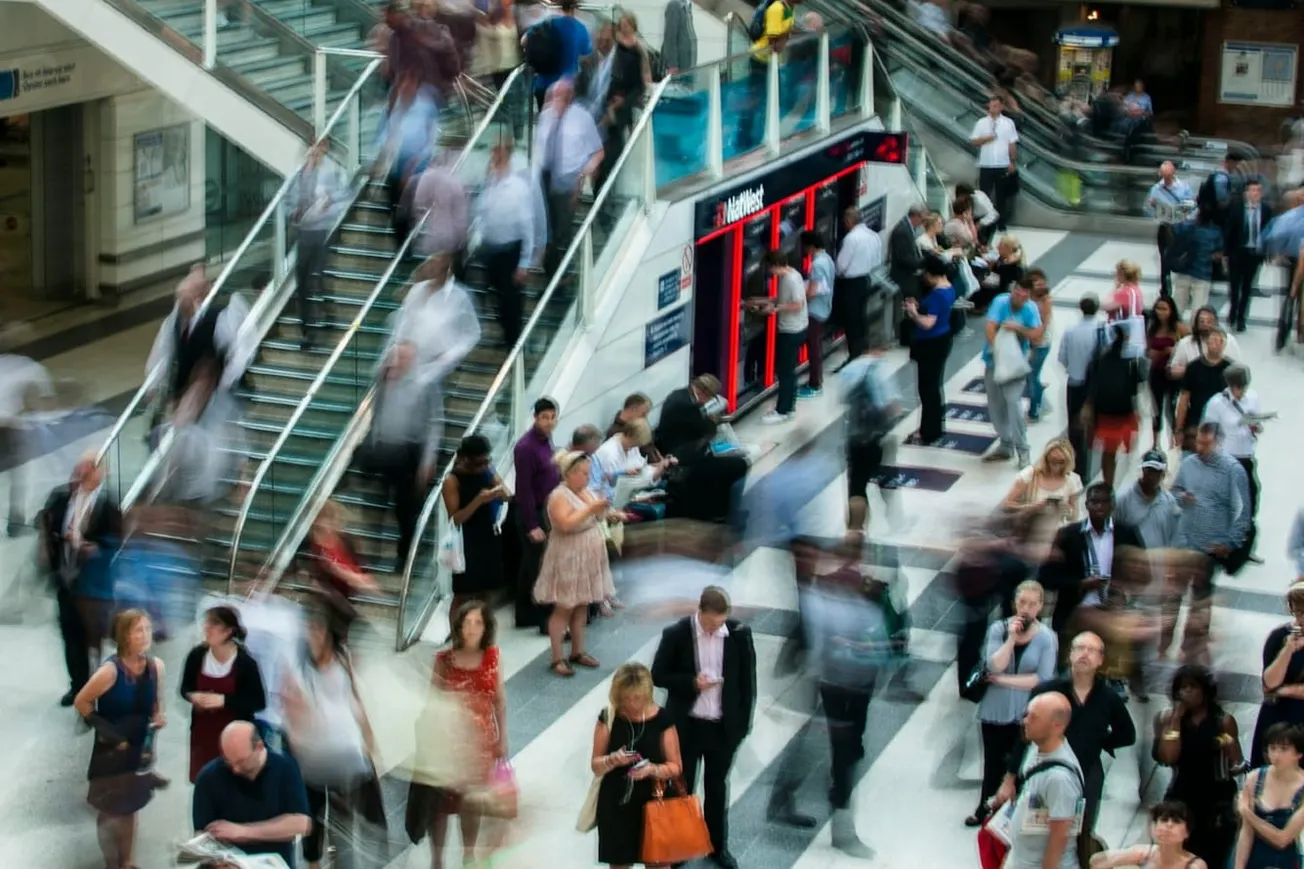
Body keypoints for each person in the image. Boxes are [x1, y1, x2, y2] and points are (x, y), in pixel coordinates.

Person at [651, 586, 756, 869]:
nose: (715, 627)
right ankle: (680, 847)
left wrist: (742, 727)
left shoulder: (738, 635)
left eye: (720, 622)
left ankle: (716, 846)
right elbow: (658, 675)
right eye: (711, 622)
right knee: (682, 788)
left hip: (722, 729)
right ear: (701, 612)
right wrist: (691, 682)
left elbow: (748, 685)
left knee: (717, 788)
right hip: (687, 726)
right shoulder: (677, 634)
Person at [996, 632, 1135, 837]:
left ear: (1100, 660)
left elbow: (1127, 734)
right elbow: (1024, 736)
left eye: (1091, 650)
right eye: (1080, 648)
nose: (1085, 654)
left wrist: (1100, 741)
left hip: (1087, 771)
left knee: (1081, 833)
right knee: (1038, 831)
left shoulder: (1108, 698)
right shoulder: (1047, 690)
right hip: (1046, 768)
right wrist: (1009, 779)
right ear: (1069, 654)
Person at [73, 609, 167, 869]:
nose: (145, 635)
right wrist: (109, 733)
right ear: (124, 635)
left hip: (139, 750)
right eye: (139, 630)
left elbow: (157, 704)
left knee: (131, 807)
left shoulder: (155, 667)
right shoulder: (110, 672)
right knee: (110, 809)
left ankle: (127, 861)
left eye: (148, 629)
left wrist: (159, 717)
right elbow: (82, 702)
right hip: (111, 751)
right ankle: (110, 863)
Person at [968, 580, 1058, 827]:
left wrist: (1001, 680)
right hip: (995, 708)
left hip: (1025, 712)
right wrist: (1010, 639)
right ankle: (984, 807)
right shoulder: (999, 629)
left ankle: (1011, 814)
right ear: (1014, 603)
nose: (1025, 608)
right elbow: (994, 663)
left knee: (1016, 765)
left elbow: (1041, 678)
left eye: (1031, 604)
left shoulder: (1047, 638)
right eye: (1021, 603)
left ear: (1040, 606)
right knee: (992, 762)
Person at [426, 601, 508, 869]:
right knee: (439, 804)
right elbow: (431, 702)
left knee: (471, 802)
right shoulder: (444, 661)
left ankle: (468, 854)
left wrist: (502, 737)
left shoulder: (493, 657)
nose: (472, 629)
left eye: (478, 623)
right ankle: (437, 859)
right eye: (467, 622)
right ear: (458, 627)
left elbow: (499, 701)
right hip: (446, 744)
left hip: (480, 744)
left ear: (486, 627)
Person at [40, 454, 122, 706]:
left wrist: (95, 549)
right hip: (66, 580)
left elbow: (116, 543)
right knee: (70, 636)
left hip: (93, 588)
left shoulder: (107, 507)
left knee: (92, 639)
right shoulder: (61, 497)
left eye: (90, 468)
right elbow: (46, 522)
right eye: (81, 468)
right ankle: (77, 685)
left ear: (101, 473)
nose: (83, 472)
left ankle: (94, 688)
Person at [590, 663, 683, 868]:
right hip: (617, 803)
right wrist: (613, 759)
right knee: (620, 862)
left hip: (655, 800)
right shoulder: (609, 718)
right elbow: (596, 765)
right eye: (626, 699)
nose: (632, 704)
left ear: (647, 694)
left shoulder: (662, 719)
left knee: (658, 863)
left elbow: (675, 767)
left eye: (637, 698)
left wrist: (652, 770)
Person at [533, 449, 617, 676]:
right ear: (567, 474)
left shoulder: (586, 491)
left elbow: (595, 516)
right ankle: (557, 657)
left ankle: (578, 651)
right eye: (581, 473)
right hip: (568, 554)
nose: (586, 477)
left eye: (588, 473)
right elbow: (565, 525)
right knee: (564, 607)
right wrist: (591, 508)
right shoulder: (558, 496)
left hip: (588, 552)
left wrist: (607, 512)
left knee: (582, 604)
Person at [1153, 664, 1244, 869]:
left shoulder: (1222, 721)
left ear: (1204, 690)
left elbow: (1236, 760)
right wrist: (1176, 719)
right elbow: (1168, 757)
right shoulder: (1167, 719)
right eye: (1182, 688)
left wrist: (1227, 744)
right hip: (1183, 793)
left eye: (1192, 687)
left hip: (1216, 798)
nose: (1187, 693)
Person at [192, 721, 312, 868]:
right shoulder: (208, 777)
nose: (235, 769)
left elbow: (301, 824)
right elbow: (201, 834)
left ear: (259, 747)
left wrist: (242, 832)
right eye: (229, 761)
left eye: (241, 762)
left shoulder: (285, 767)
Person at [1040, 483, 1145, 643]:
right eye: (1094, 502)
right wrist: (1080, 584)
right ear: (1086, 504)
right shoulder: (1069, 535)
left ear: (1113, 504)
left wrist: (1123, 591)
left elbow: (1143, 573)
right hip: (1075, 613)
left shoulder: (1127, 534)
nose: (1099, 507)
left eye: (1104, 502)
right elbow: (1046, 577)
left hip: (1115, 614)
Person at [180, 606, 267, 783]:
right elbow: (185, 687)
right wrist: (192, 696)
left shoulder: (245, 663)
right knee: (205, 781)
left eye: (214, 624)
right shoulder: (197, 656)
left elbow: (258, 701)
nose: (207, 628)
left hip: (234, 738)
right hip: (203, 734)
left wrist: (224, 701)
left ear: (228, 631)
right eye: (207, 623)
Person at [997, 692, 1083, 869]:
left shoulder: (1060, 779)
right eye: (1026, 715)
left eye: (1033, 718)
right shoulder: (1035, 748)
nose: (1025, 721)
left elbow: (1060, 835)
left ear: (1056, 725)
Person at [533, 79, 603, 277]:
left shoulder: (583, 118)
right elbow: (539, 148)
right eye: (554, 97)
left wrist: (582, 177)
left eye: (561, 97)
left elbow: (598, 152)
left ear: (570, 97)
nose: (556, 102)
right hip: (545, 178)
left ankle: (559, 273)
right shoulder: (546, 116)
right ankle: (553, 271)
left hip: (568, 181)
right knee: (546, 229)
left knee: (560, 231)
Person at [654, 374, 748, 524]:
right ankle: (722, 511)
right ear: (704, 392)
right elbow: (708, 429)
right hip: (683, 459)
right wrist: (712, 420)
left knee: (726, 464)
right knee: (738, 465)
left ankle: (722, 510)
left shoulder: (680, 396)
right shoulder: (686, 406)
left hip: (686, 451)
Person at [441, 435, 510, 622]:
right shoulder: (452, 480)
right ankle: (457, 641)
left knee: (485, 591)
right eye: (479, 462)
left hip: (487, 535)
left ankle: (482, 636)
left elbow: (507, 496)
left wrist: (498, 488)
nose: (483, 465)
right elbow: (455, 518)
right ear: (466, 459)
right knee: (462, 593)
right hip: (466, 541)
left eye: (486, 461)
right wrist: (478, 501)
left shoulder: (486, 471)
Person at [288, 140, 347, 349]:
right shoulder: (302, 172)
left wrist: (327, 208)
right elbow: (291, 199)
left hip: (324, 231)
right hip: (305, 232)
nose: (316, 151)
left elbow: (344, 197)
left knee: (319, 276)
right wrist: (295, 213)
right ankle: (307, 330)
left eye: (320, 147)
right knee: (303, 279)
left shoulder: (334, 169)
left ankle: (327, 311)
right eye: (313, 147)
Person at [983, 276, 1044, 469]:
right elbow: (990, 328)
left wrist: (1018, 328)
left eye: (1025, 293)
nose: (1020, 295)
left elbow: (1036, 334)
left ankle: (1022, 449)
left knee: (1014, 405)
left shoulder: (1030, 309)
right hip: (994, 361)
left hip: (1016, 365)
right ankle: (1005, 443)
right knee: (995, 404)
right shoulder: (1000, 302)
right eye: (1018, 290)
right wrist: (998, 351)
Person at [514, 397, 561, 630]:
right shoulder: (525, 447)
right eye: (544, 417)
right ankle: (544, 618)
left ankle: (524, 614)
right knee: (538, 566)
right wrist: (532, 524)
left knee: (529, 564)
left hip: (546, 509)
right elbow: (524, 489)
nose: (549, 422)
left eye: (552, 417)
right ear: (535, 417)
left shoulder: (546, 441)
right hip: (532, 511)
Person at [1249, 582, 1304, 769]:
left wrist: (1287, 690)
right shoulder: (1279, 636)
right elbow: (1270, 684)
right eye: (1297, 613)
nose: (1301, 619)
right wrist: (1288, 650)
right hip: (1278, 714)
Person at [1234, 723, 1304, 869]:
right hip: (1256, 856)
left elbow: (1282, 839)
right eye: (1272, 748)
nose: (1276, 755)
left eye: (1284, 749)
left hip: (1289, 860)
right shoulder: (1254, 778)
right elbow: (1247, 831)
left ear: (1299, 753)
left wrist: (1246, 812)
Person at [1083, 322, 1144, 487]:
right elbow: (1138, 386)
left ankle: (1109, 485)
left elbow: (1092, 387)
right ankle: (1116, 485)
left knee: (1109, 453)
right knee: (1125, 452)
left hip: (1107, 414)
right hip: (1123, 413)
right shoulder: (1132, 360)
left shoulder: (1100, 359)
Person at [904, 253, 956, 445]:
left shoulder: (937, 295)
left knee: (927, 388)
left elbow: (927, 323)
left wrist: (913, 313)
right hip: (942, 339)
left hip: (931, 344)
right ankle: (934, 426)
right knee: (934, 386)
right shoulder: (949, 288)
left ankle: (929, 430)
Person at [757, 248, 809, 424]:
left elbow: (797, 304)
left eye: (770, 268)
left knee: (785, 372)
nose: (770, 273)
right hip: (797, 329)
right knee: (789, 372)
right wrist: (759, 301)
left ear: (776, 265)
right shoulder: (791, 275)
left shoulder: (791, 280)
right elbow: (782, 299)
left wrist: (775, 309)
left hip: (791, 331)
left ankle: (782, 410)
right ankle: (788, 407)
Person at [1090, 801, 1207, 869]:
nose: (1168, 826)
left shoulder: (1194, 865)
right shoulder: (1144, 853)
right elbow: (1095, 862)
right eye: (1164, 820)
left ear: (1187, 832)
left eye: (1176, 821)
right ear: (1154, 828)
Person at [1224, 178, 1273, 334]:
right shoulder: (1236, 208)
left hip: (1254, 254)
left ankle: (1241, 318)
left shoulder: (1266, 210)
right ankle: (1232, 313)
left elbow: (1268, 232)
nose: (1254, 193)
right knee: (1234, 286)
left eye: (1257, 191)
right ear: (1246, 193)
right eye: (1251, 190)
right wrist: (1225, 252)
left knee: (1247, 288)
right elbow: (1228, 230)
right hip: (1237, 252)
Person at [837, 206, 885, 360]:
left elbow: (841, 265)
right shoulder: (873, 235)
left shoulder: (851, 238)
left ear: (849, 221)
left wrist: (838, 274)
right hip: (866, 279)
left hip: (851, 283)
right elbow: (878, 259)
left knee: (852, 320)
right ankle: (863, 349)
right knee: (862, 317)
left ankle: (855, 354)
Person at [1001, 438, 1083, 525]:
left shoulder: (1072, 480)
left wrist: (1067, 510)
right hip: (1028, 528)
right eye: (1053, 461)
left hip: (1056, 531)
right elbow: (1007, 504)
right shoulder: (1030, 474)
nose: (1056, 466)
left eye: (1061, 462)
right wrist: (1031, 507)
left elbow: (1075, 516)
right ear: (1046, 458)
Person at [970, 95, 1019, 230]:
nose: (992, 108)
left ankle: (1001, 223)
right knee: (984, 195)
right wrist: (986, 139)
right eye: (991, 106)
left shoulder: (1008, 123)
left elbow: (1012, 143)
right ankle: (984, 222)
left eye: (996, 106)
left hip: (1002, 164)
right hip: (986, 164)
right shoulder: (981, 123)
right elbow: (974, 141)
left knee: (1001, 195)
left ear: (1001, 107)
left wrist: (1012, 161)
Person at [1146, 295, 1188, 450]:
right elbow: (1146, 347)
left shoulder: (1179, 328)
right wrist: (1150, 353)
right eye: (1158, 308)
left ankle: (1173, 440)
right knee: (1156, 408)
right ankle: (1155, 443)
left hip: (1173, 373)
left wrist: (1174, 351)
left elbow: (1190, 346)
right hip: (1156, 371)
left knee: (1172, 407)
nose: (1160, 312)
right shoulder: (1153, 327)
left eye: (1164, 309)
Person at [798, 230, 835, 398]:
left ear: (810, 246)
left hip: (814, 311)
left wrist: (798, 298)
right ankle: (815, 381)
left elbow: (812, 292)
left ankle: (815, 384)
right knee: (815, 346)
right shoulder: (827, 259)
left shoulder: (817, 265)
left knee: (813, 348)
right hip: (824, 308)